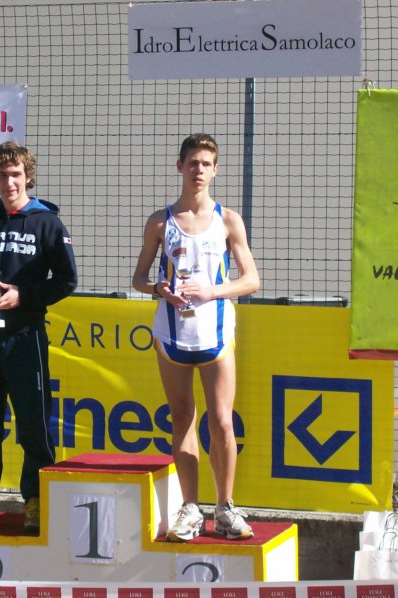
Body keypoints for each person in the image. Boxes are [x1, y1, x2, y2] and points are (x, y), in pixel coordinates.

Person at [132, 133, 260, 542]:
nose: (198, 170)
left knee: (221, 421)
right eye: (192, 163)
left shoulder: (228, 220)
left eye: (206, 164)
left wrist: (212, 291)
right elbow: (138, 278)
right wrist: (158, 289)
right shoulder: (160, 221)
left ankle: (225, 507)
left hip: (215, 335)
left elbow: (251, 280)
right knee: (183, 418)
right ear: (180, 166)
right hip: (172, 336)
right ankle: (190, 508)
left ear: (215, 170)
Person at [0, 141, 77, 534]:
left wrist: (23, 296)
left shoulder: (47, 223)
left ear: (28, 177)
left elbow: (67, 280)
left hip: (26, 336)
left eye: (16, 174)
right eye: (2, 175)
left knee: (33, 424)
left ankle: (36, 499)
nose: (9, 182)